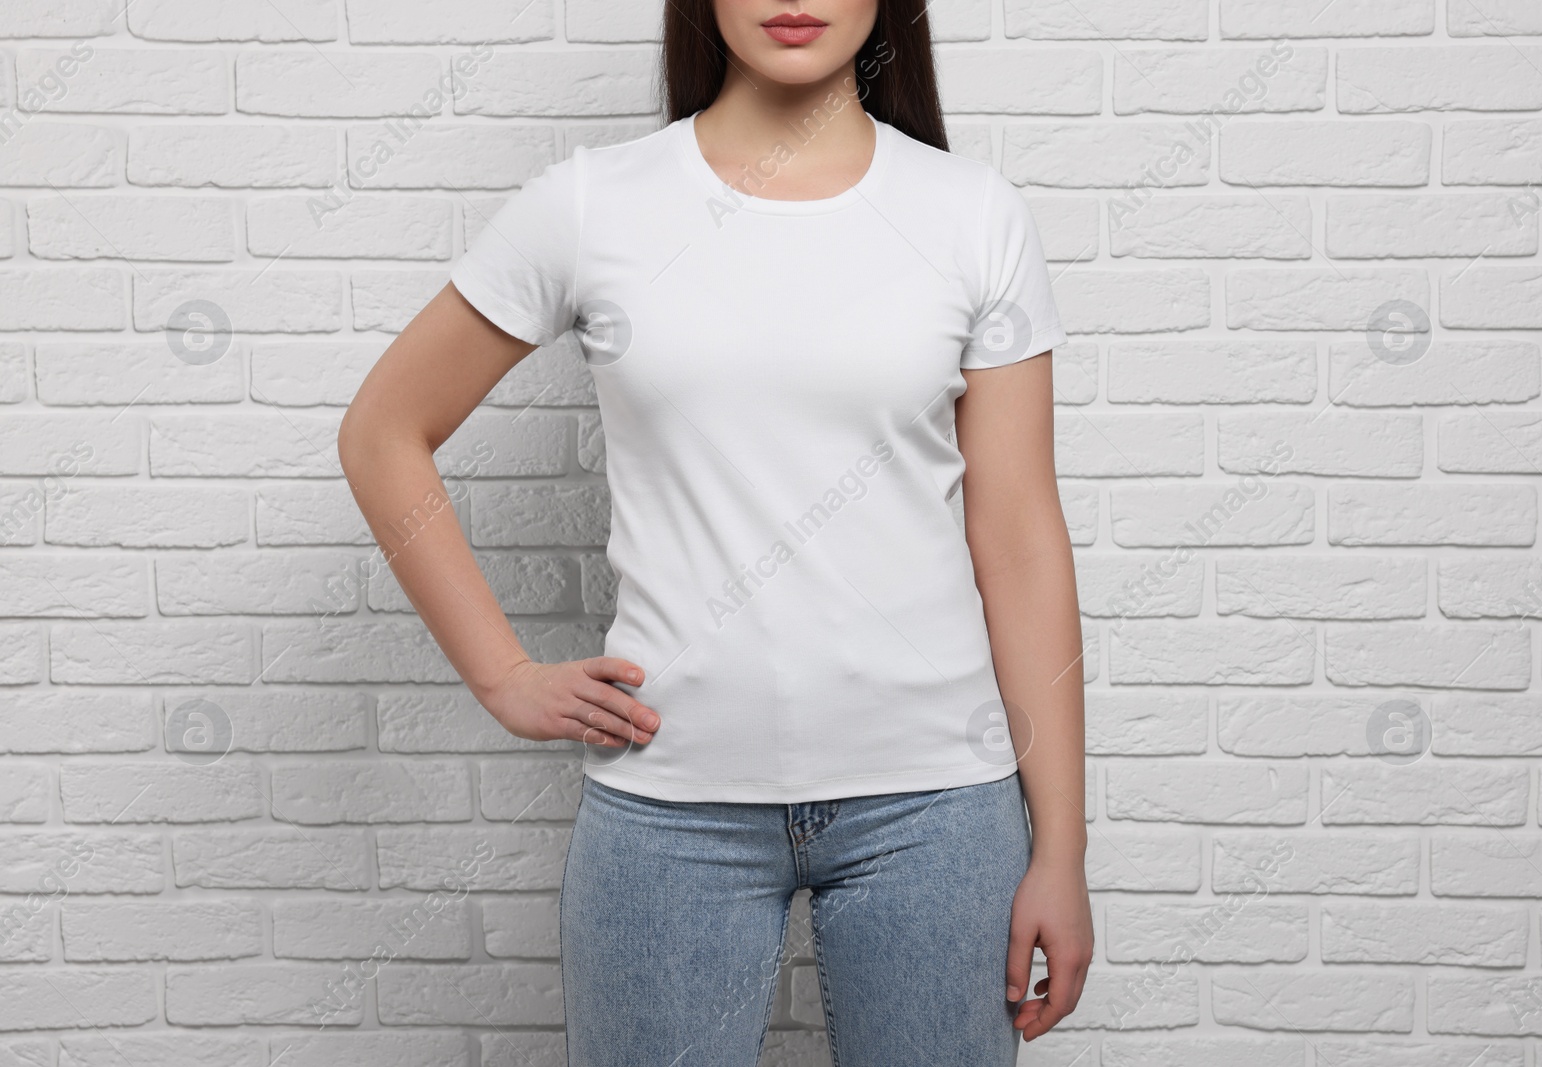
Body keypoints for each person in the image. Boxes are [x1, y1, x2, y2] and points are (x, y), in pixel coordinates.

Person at [337, 1, 1091, 1063]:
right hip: (668, 807)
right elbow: (382, 432)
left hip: (937, 812)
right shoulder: (596, 204)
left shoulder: (971, 213)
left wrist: (1062, 842)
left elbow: (1017, 536)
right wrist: (503, 675)